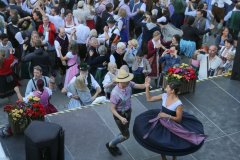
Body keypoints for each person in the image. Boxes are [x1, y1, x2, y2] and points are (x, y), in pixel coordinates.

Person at [133, 79, 207, 160]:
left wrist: (166, 115)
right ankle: (163, 158)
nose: (165, 89)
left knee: (173, 144)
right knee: (160, 142)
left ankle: (174, 158)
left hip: (172, 124)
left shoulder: (178, 104)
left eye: (167, 88)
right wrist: (147, 87)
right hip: (161, 121)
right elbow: (149, 99)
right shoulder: (164, 95)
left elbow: (178, 119)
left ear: (172, 91)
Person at [106, 68, 146, 156]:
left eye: (128, 80)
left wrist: (145, 84)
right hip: (120, 115)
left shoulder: (128, 84)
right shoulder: (115, 93)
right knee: (126, 136)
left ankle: (117, 138)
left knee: (124, 130)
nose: (129, 82)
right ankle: (111, 145)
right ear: (120, 81)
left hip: (128, 111)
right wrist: (121, 118)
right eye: (126, 81)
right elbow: (112, 109)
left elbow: (136, 85)